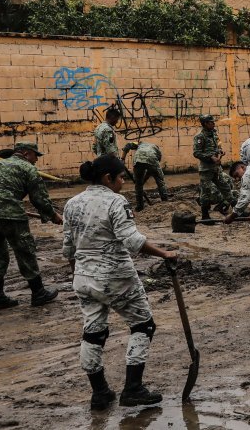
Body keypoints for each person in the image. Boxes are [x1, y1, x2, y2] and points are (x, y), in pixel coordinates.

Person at [63, 155, 178, 410]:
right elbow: (133, 241)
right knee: (143, 325)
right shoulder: (116, 202)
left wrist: (78, 274)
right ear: (108, 178)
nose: (123, 182)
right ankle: (133, 389)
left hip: (83, 277)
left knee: (93, 332)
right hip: (115, 276)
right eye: (122, 177)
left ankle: (100, 393)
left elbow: (68, 248)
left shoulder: (72, 204)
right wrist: (164, 253)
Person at [0, 141, 62, 311]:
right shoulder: (27, 168)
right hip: (9, 212)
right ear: (26, 153)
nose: (36, 160)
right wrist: (54, 216)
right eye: (35, 156)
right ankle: (38, 292)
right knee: (25, 250)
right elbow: (39, 198)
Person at [193, 114, 233, 221]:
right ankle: (205, 216)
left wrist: (220, 151)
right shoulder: (199, 137)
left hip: (216, 168)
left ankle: (238, 210)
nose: (213, 124)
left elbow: (217, 145)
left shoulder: (214, 133)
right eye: (211, 122)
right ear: (205, 124)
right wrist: (211, 158)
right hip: (206, 170)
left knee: (225, 187)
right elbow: (196, 153)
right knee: (205, 192)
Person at [123, 142, 168, 212]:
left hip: (138, 159)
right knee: (160, 181)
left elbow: (127, 145)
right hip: (152, 159)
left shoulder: (139, 144)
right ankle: (165, 201)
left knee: (138, 185)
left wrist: (122, 159)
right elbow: (153, 169)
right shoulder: (156, 150)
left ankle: (139, 206)